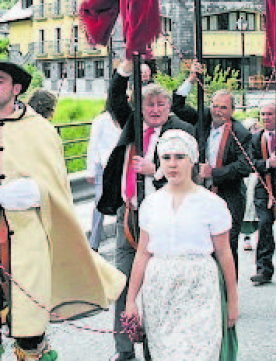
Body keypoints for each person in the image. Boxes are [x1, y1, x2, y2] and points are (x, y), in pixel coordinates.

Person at [0, 60, 124, 361]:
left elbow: (42, 191)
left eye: (0, 80)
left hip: (23, 238)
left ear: (16, 89)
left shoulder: (39, 131)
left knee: (28, 325)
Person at [100, 59, 196, 361]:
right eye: (149, 104)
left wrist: (156, 170)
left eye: (161, 104)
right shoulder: (131, 121)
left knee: (158, 283)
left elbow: (193, 174)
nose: (155, 110)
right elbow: (114, 97)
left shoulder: (183, 130)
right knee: (123, 281)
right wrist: (126, 68)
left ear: (169, 107)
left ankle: (158, 346)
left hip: (165, 217)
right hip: (129, 213)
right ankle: (124, 348)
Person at [122, 130, 240, 361]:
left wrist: (233, 301)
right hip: (159, 289)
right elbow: (143, 253)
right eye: (166, 157)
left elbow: (225, 254)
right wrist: (131, 299)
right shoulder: (151, 203)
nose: (172, 164)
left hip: (200, 288)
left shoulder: (211, 204)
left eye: (179, 157)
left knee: (198, 353)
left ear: (192, 160)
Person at [174, 86, 258, 275]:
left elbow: (246, 166)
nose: (218, 111)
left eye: (223, 108)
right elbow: (178, 105)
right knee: (200, 244)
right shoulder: (204, 119)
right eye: (215, 106)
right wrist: (190, 80)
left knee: (226, 246)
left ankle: (230, 296)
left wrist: (215, 172)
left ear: (232, 111)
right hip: (200, 193)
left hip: (229, 195)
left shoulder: (240, 132)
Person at [247, 101, 276, 286]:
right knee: (264, 225)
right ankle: (263, 269)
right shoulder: (256, 138)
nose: (265, 118)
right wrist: (267, 164)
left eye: (270, 114)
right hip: (264, 185)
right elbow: (249, 162)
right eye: (263, 114)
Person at [86, 104, 122, 251]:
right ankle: (94, 243)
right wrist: (91, 170)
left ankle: (123, 240)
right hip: (104, 166)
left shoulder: (125, 119)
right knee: (99, 203)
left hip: (121, 165)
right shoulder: (101, 121)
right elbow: (93, 145)